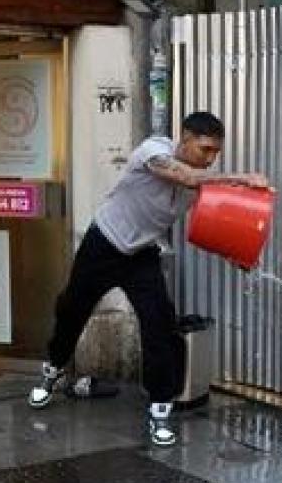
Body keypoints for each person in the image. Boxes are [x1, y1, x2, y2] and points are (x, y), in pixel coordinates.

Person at [30, 111, 268, 446]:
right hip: (103, 243)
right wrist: (242, 178)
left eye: (216, 151)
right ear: (185, 139)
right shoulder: (154, 151)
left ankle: (160, 409)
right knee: (72, 309)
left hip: (141, 254)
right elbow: (184, 176)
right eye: (205, 149)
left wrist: (238, 254)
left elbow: (216, 221)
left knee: (160, 325)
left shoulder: (201, 182)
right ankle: (53, 369)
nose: (210, 158)